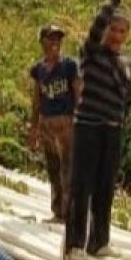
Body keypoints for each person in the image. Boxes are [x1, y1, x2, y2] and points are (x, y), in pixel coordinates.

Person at [64, 0, 131, 260]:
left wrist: (121, 123)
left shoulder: (128, 63)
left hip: (112, 129)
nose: (116, 35)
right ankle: (75, 245)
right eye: (112, 29)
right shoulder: (91, 53)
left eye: (121, 31)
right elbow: (94, 30)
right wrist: (112, 2)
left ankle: (99, 241)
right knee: (83, 185)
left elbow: (127, 98)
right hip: (88, 127)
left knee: (106, 186)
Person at [28, 24, 81, 222]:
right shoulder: (39, 70)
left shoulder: (69, 66)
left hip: (66, 123)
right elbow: (36, 100)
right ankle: (58, 211)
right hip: (47, 124)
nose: (55, 44)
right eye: (50, 39)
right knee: (53, 168)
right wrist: (34, 129)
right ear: (42, 42)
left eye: (58, 39)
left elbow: (78, 92)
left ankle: (69, 214)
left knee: (68, 169)